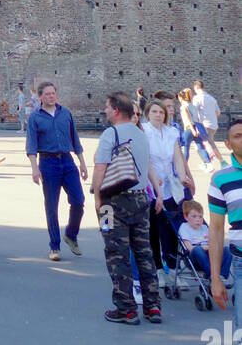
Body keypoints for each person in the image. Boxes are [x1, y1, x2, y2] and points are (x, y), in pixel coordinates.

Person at [92, 91, 163, 325]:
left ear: (115, 110)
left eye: (106, 106)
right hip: (141, 199)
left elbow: (100, 168)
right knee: (144, 252)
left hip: (112, 202)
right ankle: (153, 306)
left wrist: (97, 199)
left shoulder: (109, 134)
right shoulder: (141, 135)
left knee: (116, 254)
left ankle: (126, 308)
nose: (104, 110)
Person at [25, 80, 87, 261]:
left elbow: (75, 139)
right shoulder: (35, 117)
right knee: (52, 206)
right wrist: (35, 168)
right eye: (47, 94)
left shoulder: (65, 113)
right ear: (40, 97)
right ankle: (54, 246)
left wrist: (82, 163)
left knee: (78, 201)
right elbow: (31, 145)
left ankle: (71, 234)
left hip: (67, 161)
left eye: (53, 93)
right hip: (48, 162)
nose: (51, 96)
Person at [143, 97, 189, 275]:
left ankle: (173, 267)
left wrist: (183, 177)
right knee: (154, 228)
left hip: (170, 185)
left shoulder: (171, 132)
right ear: (148, 114)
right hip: (151, 184)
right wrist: (153, 179)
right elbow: (145, 158)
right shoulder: (144, 131)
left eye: (161, 112)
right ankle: (159, 269)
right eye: (154, 111)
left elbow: (177, 157)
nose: (158, 115)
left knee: (172, 228)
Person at [208, 116, 242, 334]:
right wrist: (215, 279)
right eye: (238, 136)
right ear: (228, 144)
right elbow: (216, 230)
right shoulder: (220, 180)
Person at [180, 199, 231, 283]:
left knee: (227, 249)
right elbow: (189, 248)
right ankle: (212, 275)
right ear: (186, 217)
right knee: (197, 249)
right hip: (194, 257)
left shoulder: (204, 227)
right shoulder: (184, 227)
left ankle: (222, 276)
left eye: (200, 216)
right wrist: (204, 248)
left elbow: (213, 242)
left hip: (210, 255)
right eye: (194, 216)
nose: (198, 219)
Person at [178, 87, 211, 169]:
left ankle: (183, 166)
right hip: (196, 127)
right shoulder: (193, 106)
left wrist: (192, 130)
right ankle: (208, 163)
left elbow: (187, 119)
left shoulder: (183, 106)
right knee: (200, 147)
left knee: (186, 148)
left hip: (189, 128)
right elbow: (198, 119)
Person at [192, 80, 223, 165]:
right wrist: (212, 118)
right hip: (213, 125)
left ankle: (221, 161)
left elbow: (194, 112)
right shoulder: (212, 98)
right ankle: (206, 161)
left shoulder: (197, 98)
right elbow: (218, 112)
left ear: (196, 87)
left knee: (209, 145)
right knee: (199, 146)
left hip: (204, 125)